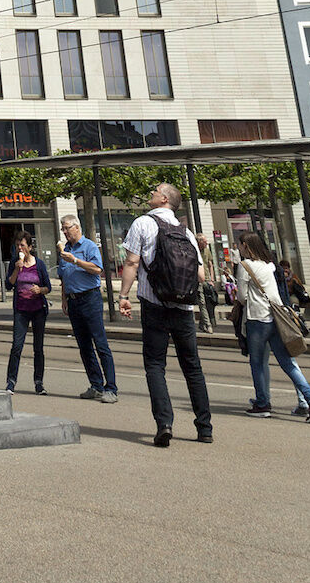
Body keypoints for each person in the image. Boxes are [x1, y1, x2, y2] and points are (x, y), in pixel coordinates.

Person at [119, 181, 213, 447]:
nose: (150, 193)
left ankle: (165, 424)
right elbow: (202, 276)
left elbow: (131, 262)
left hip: (154, 304)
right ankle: (204, 428)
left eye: (154, 191)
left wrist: (123, 296)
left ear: (163, 199)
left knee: (155, 365)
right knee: (192, 367)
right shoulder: (187, 232)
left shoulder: (142, 223)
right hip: (184, 307)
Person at [235, 232, 310, 423]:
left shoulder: (244, 266)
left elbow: (242, 297)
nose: (238, 249)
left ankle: (262, 404)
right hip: (277, 318)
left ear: (245, 246)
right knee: (287, 362)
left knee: (258, 363)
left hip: (257, 319)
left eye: (239, 245)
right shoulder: (269, 265)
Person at [56, 215, 116, 401]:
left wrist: (75, 261)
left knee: (100, 344)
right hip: (73, 301)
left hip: (90, 298)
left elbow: (97, 269)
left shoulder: (88, 246)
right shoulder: (65, 249)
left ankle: (111, 388)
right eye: (63, 229)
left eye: (66, 228)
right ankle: (96, 385)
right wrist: (64, 298)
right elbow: (64, 276)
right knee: (84, 346)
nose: (64, 232)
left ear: (76, 227)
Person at [5, 233, 51, 394]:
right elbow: (8, 285)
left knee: (38, 348)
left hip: (38, 310)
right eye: (18, 245)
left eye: (23, 245)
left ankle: (39, 383)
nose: (20, 248)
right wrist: (17, 269)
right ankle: (11, 382)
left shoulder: (38, 264)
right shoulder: (14, 263)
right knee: (17, 346)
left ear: (30, 247)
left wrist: (40, 290)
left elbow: (48, 287)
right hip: (21, 310)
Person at [197, 235, 219, 329]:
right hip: (198, 280)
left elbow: (210, 265)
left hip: (207, 280)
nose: (206, 243)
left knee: (211, 300)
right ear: (199, 242)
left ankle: (203, 323)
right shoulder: (194, 250)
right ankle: (207, 324)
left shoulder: (207, 250)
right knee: (202, 302)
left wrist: (211, 279)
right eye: (204, 242)